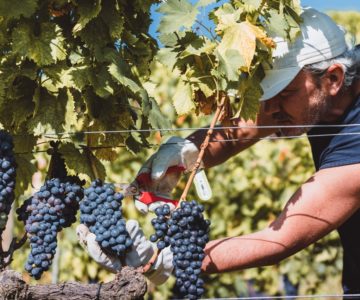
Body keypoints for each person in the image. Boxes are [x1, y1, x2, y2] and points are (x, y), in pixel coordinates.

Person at [77, 7, 360, 294]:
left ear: (333, 79)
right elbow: (242, 131)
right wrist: (186, 153)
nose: (270, 108)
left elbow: (281, 239)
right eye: (268, 95)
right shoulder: (318, 95)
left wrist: (164, 260)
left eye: (284, 94)